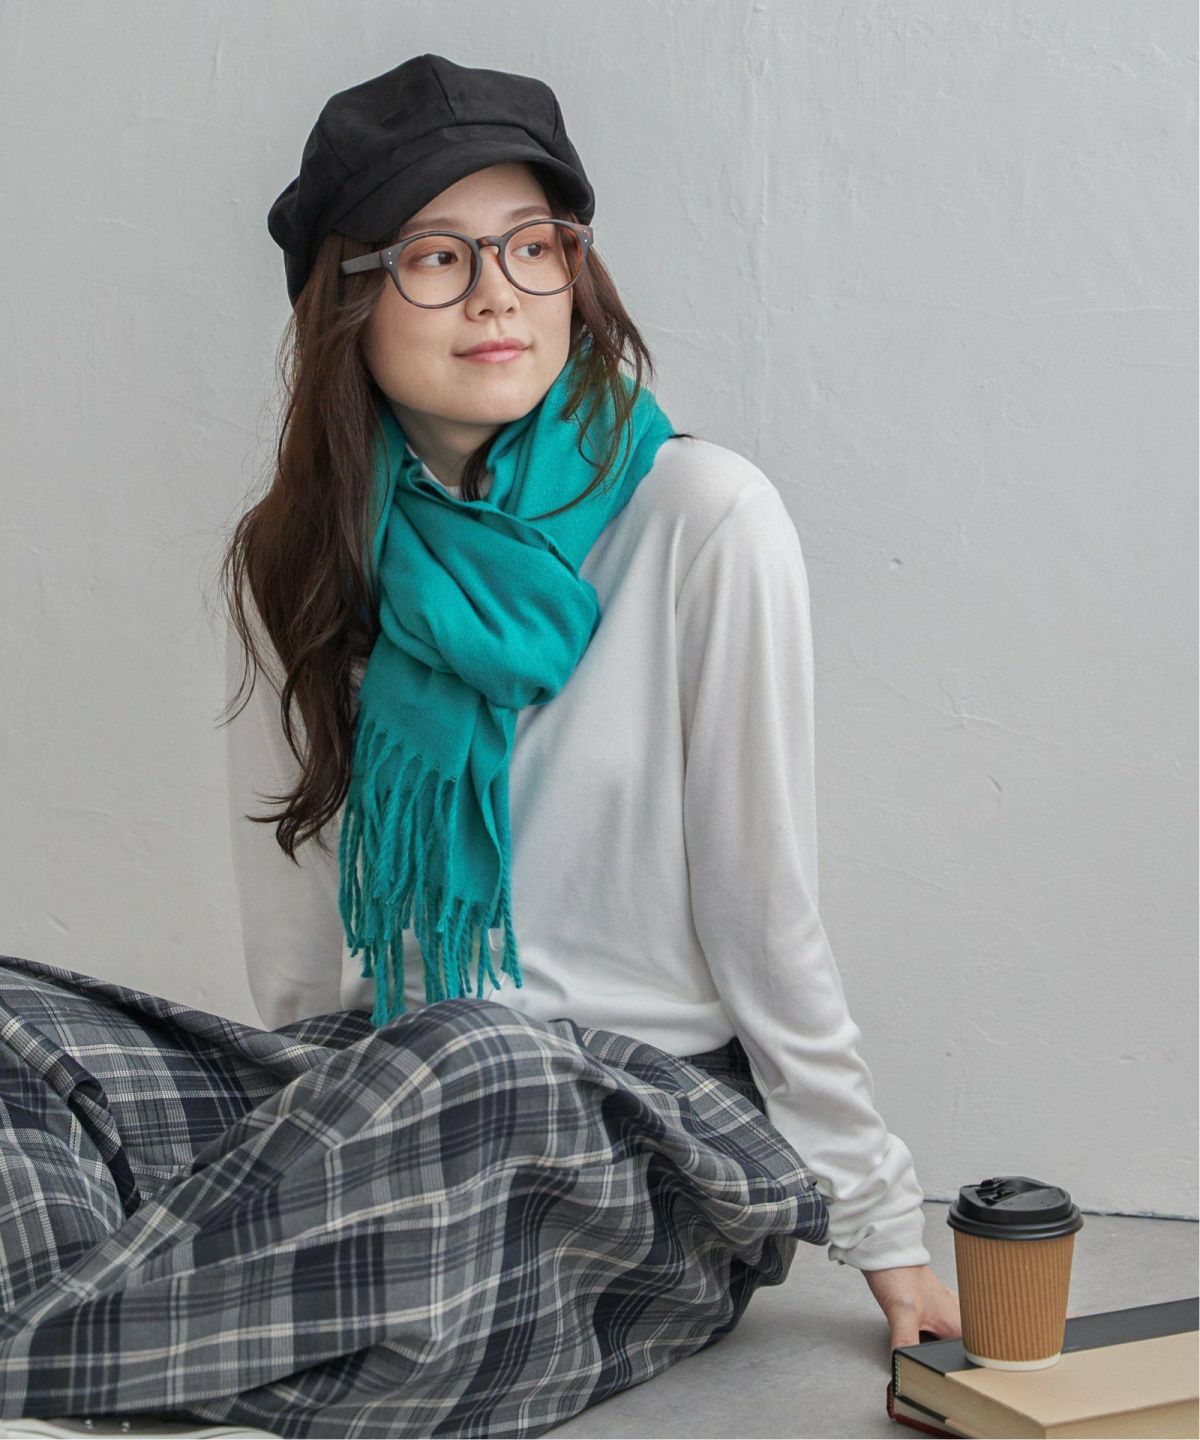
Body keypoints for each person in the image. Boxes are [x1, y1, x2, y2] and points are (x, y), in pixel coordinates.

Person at [0, 53, 960, 1439]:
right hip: (393, 1096)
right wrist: (319, 1152)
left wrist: (879, 1219)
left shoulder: (703, 517)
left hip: (641, 1144)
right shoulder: (298, 557)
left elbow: (766, 912)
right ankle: (158, 1334)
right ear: (345, 299)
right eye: (437, 256)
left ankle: (86, 1342)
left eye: (534, 245)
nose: (500, 292)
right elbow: (300, 947)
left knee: (476, 1057)